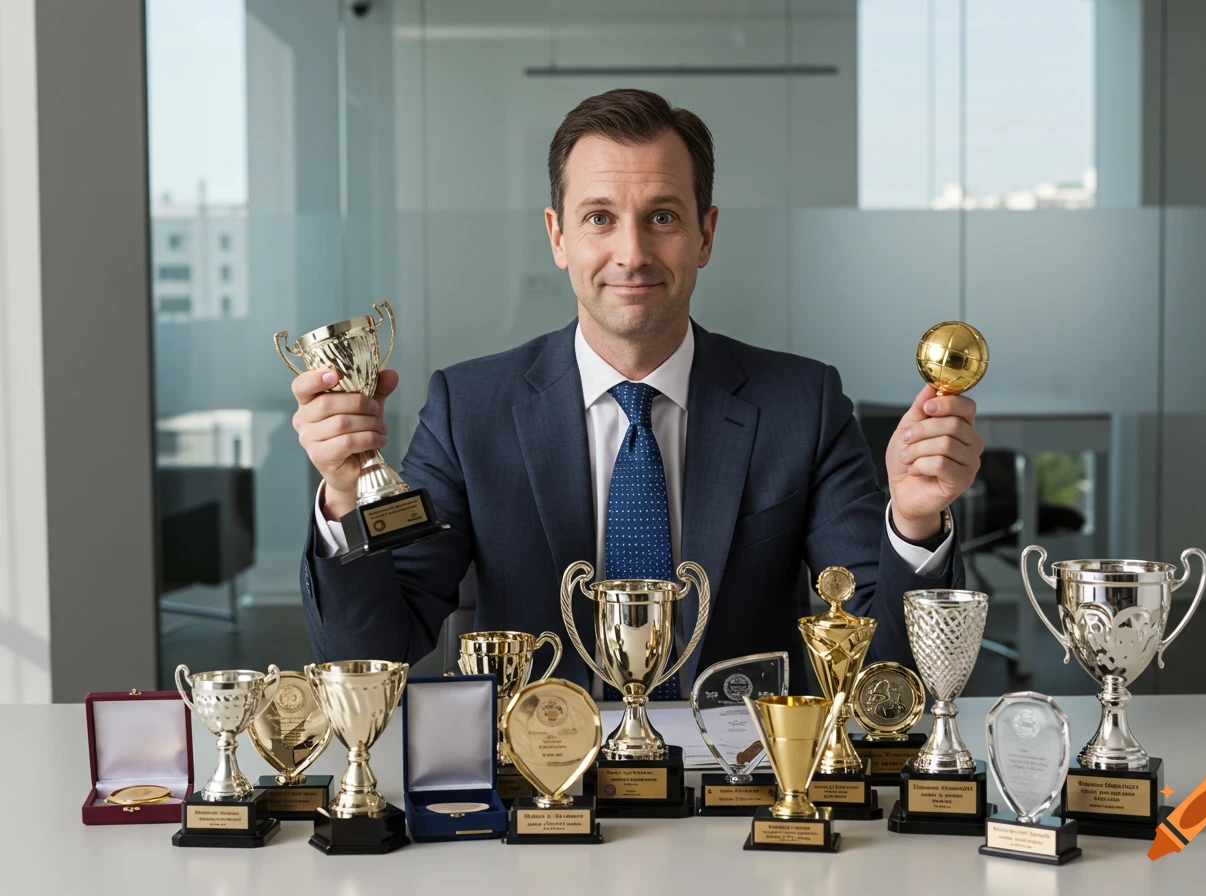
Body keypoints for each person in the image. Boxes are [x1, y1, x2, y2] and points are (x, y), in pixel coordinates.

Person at [292, 88, 982, 695]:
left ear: (705, 234)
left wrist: (914, 525)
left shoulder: (801, 405)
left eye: (662, 217)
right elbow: (371, 654)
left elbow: (891, 676)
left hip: (738, 799)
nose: (631, 254)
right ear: (557, 236)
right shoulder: (469, 410)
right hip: (539, 797)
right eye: (598, 218)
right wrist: (345, 501)